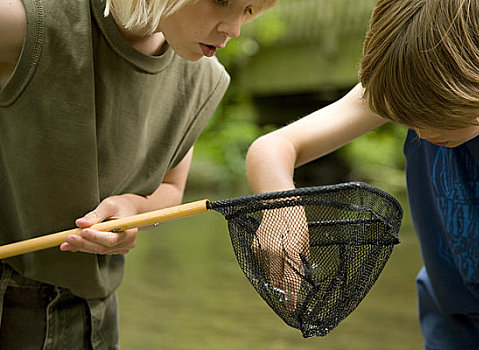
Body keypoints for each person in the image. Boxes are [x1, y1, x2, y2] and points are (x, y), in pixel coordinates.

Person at [246, 0, 479, 348]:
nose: (421, 134)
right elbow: (275, 146)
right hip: (455, 325)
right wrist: (278, 207)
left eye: (439, 117)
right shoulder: (408, 82)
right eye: (405, 118)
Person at [0, 0, 277, 348]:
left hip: (95, 316)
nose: (234, 29)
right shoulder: (31, 21)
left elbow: (170, 188)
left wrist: (133, 210)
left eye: (249, 10)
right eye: (222, 1)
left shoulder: (201, 77)